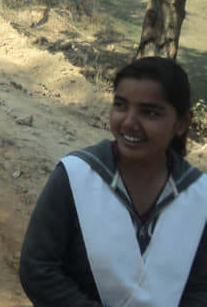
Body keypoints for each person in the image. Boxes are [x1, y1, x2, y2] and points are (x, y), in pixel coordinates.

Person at [19, 57, 207, 306]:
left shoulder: (198, 196)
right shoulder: (75, 176)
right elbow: (37, 268)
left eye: (149, 112)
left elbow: (200, 288)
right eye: (120, 105)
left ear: (181, 123)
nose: (129, 122)